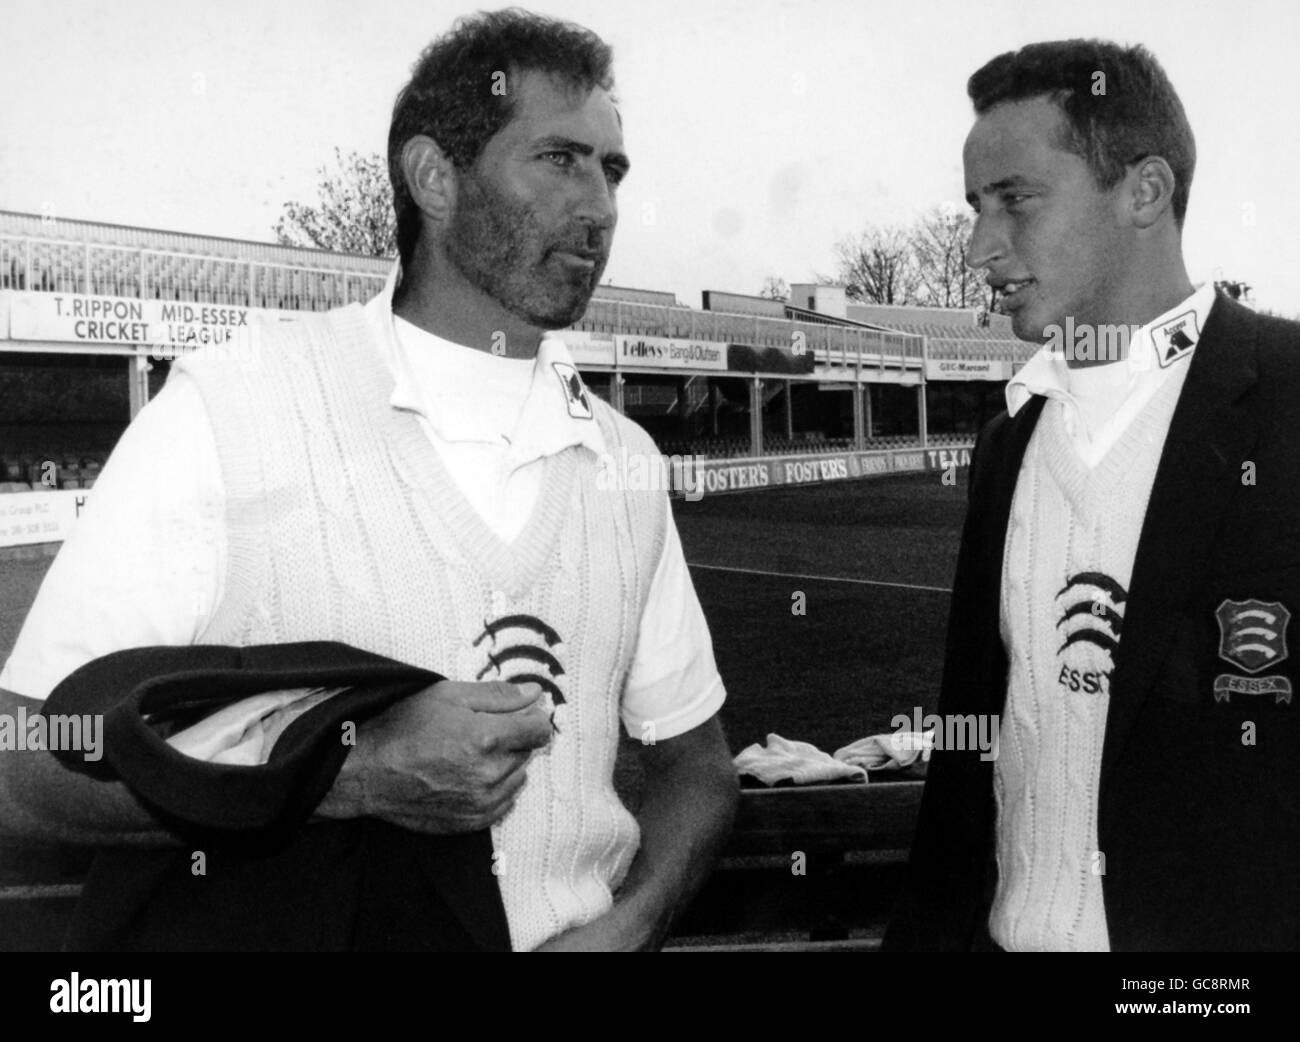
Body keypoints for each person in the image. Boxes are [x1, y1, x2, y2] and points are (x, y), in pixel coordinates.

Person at [0, 8, 737, 952]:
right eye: (559, 159)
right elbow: (25, 761)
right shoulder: (234, 408)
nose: (599, 207)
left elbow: (697, 767)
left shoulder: (625, 460)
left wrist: (628, 928)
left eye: (612, 169)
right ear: (434, 178)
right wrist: (353, 776)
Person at [885, 39, 1300, 951]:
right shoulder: (1009, 439)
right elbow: (970, 753)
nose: (980, 246)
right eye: (976, 207)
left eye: (1016, 200)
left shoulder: (1287, 396)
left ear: (1144, 192)